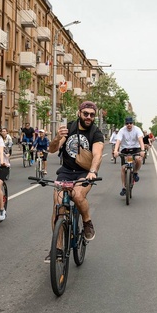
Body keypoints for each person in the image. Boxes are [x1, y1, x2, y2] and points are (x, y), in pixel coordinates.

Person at [46, 101, 104, 262]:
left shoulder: (96, 133)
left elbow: (97, 155)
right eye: (86, 113)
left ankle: (87, 222)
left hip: (84, 173)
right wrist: (57, 137)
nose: (89, 117)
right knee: (59, 207)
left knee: (78, 196)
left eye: (92, 115)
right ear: (79, 113)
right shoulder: (69, 128)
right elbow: (52, 150)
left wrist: (92, 172)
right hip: (65, 171)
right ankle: (57, 249)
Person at [113, 116, 145, 196]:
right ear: (125, 124)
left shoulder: (137, 130)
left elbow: (141, 140)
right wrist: (116, 150)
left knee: (138, 159)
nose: (129, 125)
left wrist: (142, 150)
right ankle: (124, 187)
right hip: (125, 150)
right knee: (124, 168)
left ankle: (135, 172)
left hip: (135, 148)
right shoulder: (122, 130)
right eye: (127, 123)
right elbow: (118, 141)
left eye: (130, 123)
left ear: (133, 123)